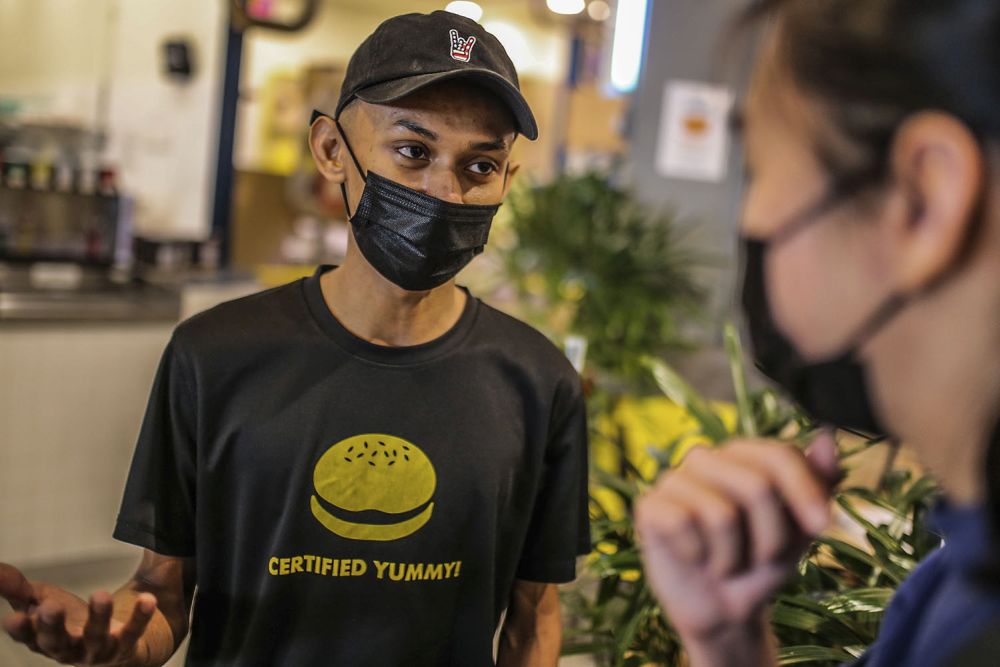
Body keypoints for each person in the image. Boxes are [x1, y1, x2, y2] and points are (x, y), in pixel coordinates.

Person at [0, 11, 590, 666]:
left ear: (507, 181)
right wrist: (114, 643)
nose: (443, 189)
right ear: (332, 151)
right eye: (413, 151)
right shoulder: (214, 355)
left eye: (479, 165)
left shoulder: (539, 384)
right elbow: (162, 594)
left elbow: (533, 616)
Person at [636, 1, 1000, 666]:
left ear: (924, 199)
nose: (751, 217)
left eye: (759, 170)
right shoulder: (953, 583)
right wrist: (729, 642)